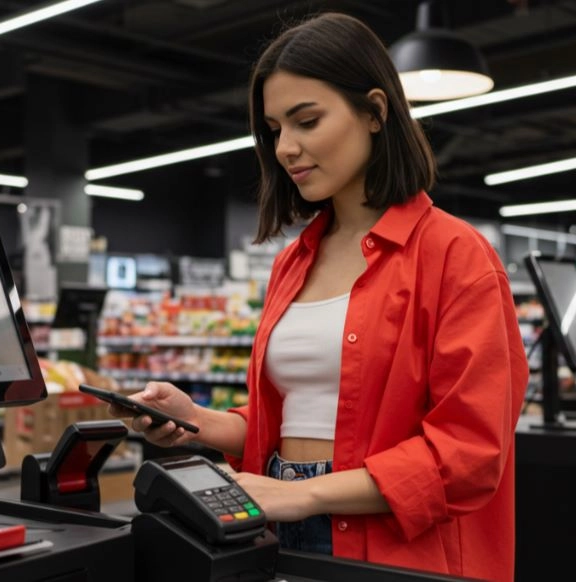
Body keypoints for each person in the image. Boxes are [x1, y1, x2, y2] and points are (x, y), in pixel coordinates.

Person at [113, 12, 527, 582]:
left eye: (306, 121)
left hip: (397, 547)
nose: (286, 147)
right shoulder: (294, 261)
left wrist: (306, 494)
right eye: (275, 129)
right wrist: (198, 421)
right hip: (280, 524)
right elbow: (294, 420)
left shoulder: (457, 256)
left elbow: (470, 454)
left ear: (375, 112)